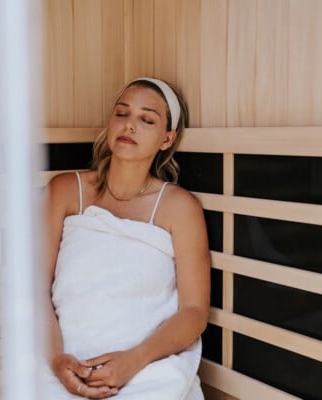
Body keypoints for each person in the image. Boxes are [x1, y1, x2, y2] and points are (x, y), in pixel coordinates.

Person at [44, 77, 211, 399]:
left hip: (146, 360)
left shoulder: (179, 208)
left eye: (146, 119)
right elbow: (34, 289)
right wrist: (55, 358)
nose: (130, 125)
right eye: (122, 114)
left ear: (167, 139)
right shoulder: (64, 191)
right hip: (64, 352)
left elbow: (194, 311)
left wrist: (133, 360)